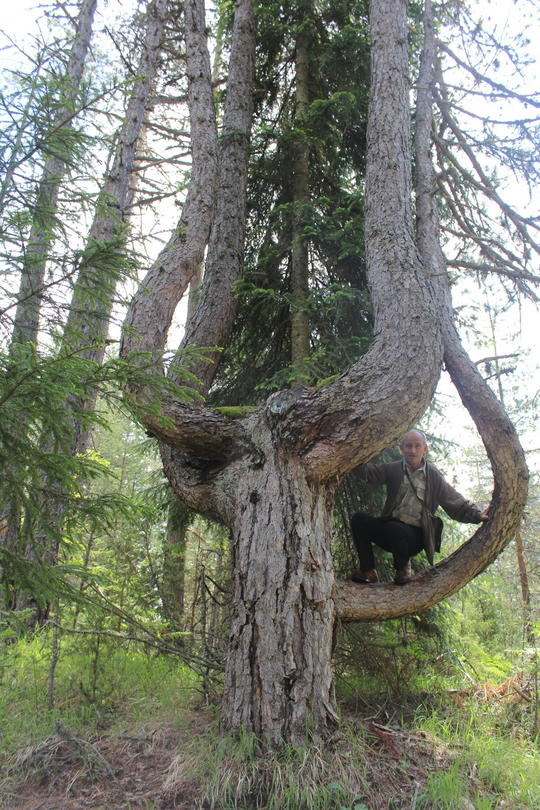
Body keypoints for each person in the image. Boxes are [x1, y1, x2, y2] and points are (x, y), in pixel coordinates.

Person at [350, 429, 489, 585]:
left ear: (425, 448)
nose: (413, 450)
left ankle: (403, 569)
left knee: (394, 528)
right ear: (401, 448)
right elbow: (370, 473)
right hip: (390, 533)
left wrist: (476, 515)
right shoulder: (393, 469)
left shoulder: (433, 476)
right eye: (408, 446)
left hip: (415, 537)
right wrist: (349, 455)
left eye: (417, 446)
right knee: (359, 520)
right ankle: (368, 570)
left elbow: (454, 501)